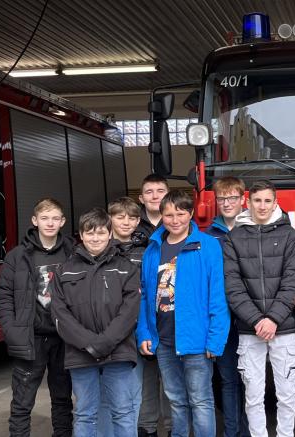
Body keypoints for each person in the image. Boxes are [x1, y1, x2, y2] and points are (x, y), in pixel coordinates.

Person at [138, 190, 230, 437]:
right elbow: (146, 295)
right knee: (176, 400)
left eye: (180, 214)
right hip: (164, 340)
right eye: (168, 214)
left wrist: (216, 338)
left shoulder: (208, 246)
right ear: (161, 216)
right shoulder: (153, 248)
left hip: (197, 341)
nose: (174, 220)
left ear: (190, 214)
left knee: (200, 401)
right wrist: (144, 332)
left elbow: (217, 294)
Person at [51, 208, 142, 437]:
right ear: (81, 235)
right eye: (90, 233)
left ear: (110, 234)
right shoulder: (64, 271)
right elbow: (60, 314)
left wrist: (105, 342)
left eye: (101, 233)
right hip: (80, 355)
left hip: (119, 352)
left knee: (122, 411)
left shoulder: (126, 268)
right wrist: (89, 343)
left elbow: (130, 312)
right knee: (84, 413)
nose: (95, 238)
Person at [222, 180, 295, 437]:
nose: (262, 206)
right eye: (257, 200)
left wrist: (274, 319)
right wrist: (257, 320)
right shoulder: (234, 237)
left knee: (287, 394)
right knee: (253, 396)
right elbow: (232, 286)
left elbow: (292, 280)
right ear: (248, 202)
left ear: (275, 203)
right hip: (249, 329)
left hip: (284, 327)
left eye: (268, 201)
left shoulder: (288, 234)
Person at [0, 197, 75, 437]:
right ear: (34, 221)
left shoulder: (73, 252)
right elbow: (4, 296)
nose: (49, 223)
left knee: (62, 399)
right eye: (44, 218)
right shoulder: (17, 256)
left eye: (54, 218)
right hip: (31, 338)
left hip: (65, 339)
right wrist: (13, 331)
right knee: (22, 402)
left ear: (62, 222)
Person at [204, 177, 251, 437]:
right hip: (222, 320)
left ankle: (251, 430)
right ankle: (232, 432)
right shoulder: (208, 237)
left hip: (251, 317)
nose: (227, 203)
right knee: (228, 379)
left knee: (252, 380)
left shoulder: (254, 229)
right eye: (222, 198)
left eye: (233, 198)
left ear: (243, 199)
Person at [105, 197, 150, 436]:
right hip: (105, 330)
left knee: (133, 392)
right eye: (120, 216)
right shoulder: (99, 248)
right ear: (110, 217)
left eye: (132, 218)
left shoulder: (145, 251)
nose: (126, 222)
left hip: (135, 331)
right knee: (105, 395)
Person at [134, 174, 172, 437]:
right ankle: (147, 429)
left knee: (172, 383)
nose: (155, 195)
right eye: (149, 191)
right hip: (140, 316)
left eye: (160, 190)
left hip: (170, 315)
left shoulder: (180, 226)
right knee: (145, 383)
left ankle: (172, 428)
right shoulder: (130, 228)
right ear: (141, 198)